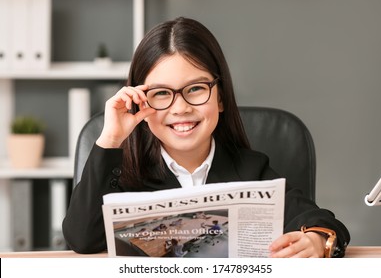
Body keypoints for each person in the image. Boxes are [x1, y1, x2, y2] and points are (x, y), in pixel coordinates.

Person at [62, 16, 350, 257]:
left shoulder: (251, 170)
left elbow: (320, 221)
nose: (181, 108)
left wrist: (317, 240)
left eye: (196, 88)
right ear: (141, 102)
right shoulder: (122, 175)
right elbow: (82, 239)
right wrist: (111, 139)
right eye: (161, 93)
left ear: (220, 98)